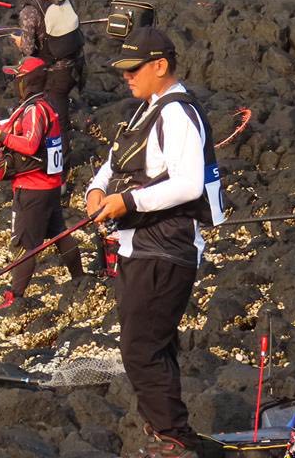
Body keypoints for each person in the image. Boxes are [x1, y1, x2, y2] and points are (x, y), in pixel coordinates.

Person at [84, 27, 225, 458]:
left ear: (160, 66)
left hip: (166, 249)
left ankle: (172, 438)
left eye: (134, 69)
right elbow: (112, 166)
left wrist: (126, 202)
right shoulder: (146, 110)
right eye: (124, 70)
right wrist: (96, 191)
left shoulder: (177, 114)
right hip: (138, 246)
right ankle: (168, 434)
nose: (127, 76)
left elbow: (188, 184)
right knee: (150, 346)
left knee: (141, 349)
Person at [0, 57, 83, 311]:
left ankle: (15, 296)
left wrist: (1, 136)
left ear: (28, 81)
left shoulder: (34, 110)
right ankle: (80, 279)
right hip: (50, 186)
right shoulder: (46, 105)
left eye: (18, 77)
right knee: (60, 234)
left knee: (25, 245)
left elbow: (30, 144)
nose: (15, 81)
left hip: (33, 189)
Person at [11, 0, 85, 155]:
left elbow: (28, 49)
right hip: (76, 63)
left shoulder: (29, 10)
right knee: (61, 110)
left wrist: (19, 41)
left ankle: (61, 161)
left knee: (57, 118)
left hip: (54, 71)